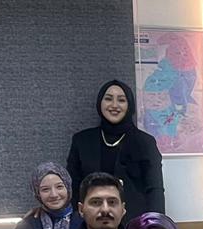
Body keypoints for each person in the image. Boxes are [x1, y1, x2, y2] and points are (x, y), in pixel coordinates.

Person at [66, 78, 165, 218]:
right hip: (91, 223)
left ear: (129, 105)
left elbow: (155, 190)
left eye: (121, 100)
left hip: (134, 223)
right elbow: (73, 187)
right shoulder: (81, 140)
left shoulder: (145, 142)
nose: (114, 105)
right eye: (108, 99)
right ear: (100, 103)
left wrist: (155, 224)